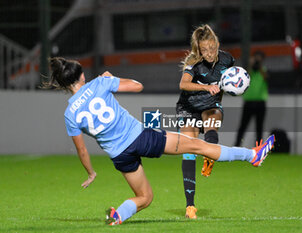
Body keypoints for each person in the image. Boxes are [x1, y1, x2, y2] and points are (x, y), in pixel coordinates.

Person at [46, 57, 275, 226]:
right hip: (141, 138)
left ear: (65, 83)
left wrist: (91, 173)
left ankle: (117, 217)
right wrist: (110, 79)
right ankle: (253, 156)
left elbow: (82, 150)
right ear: (82, 75)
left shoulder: (69, 114)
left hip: (119, 155)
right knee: (197, 145)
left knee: (145, 198)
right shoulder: (98, 84)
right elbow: (137, 86)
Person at [176, 24, 234, 219]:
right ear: (198, 49)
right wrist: (206, 87)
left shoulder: (227, 59)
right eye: (205, 49)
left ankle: (209, 156)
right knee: (188, 150)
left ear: (217, 43)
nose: (210, 53)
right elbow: (183, 84)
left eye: (212, 47)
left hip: (210, 105)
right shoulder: (193, 62)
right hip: (189, 107)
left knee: (213, 122)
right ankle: (190, 206)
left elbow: (231, 81)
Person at [235, 50, 269, 147]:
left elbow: (267, 78)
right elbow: (245, 77)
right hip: (248, 102)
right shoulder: (248, 72)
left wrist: (260, 66)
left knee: (259, 127)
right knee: (243, 126)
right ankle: (237, 145)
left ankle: (259, 147)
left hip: (260, 103)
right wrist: (251, 65)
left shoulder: (264, 70)